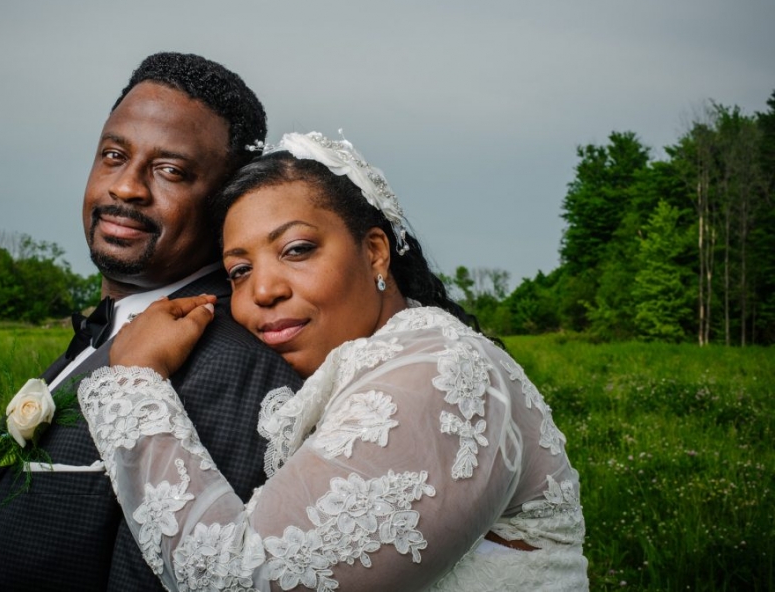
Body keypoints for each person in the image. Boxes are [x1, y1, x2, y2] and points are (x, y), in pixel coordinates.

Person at [78, 131, 589, 590]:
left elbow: (245, 576)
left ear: (374, 253)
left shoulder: (441, 371)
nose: (263, 290)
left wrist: (133, 381)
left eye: (297, 249)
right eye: (238, 270)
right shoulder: (376, 362)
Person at [0, 53, 302, 591]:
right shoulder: (115, 323)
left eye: (170, 170)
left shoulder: (230, 362)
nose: (126, 187)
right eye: (113, 155)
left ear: (227, 201)